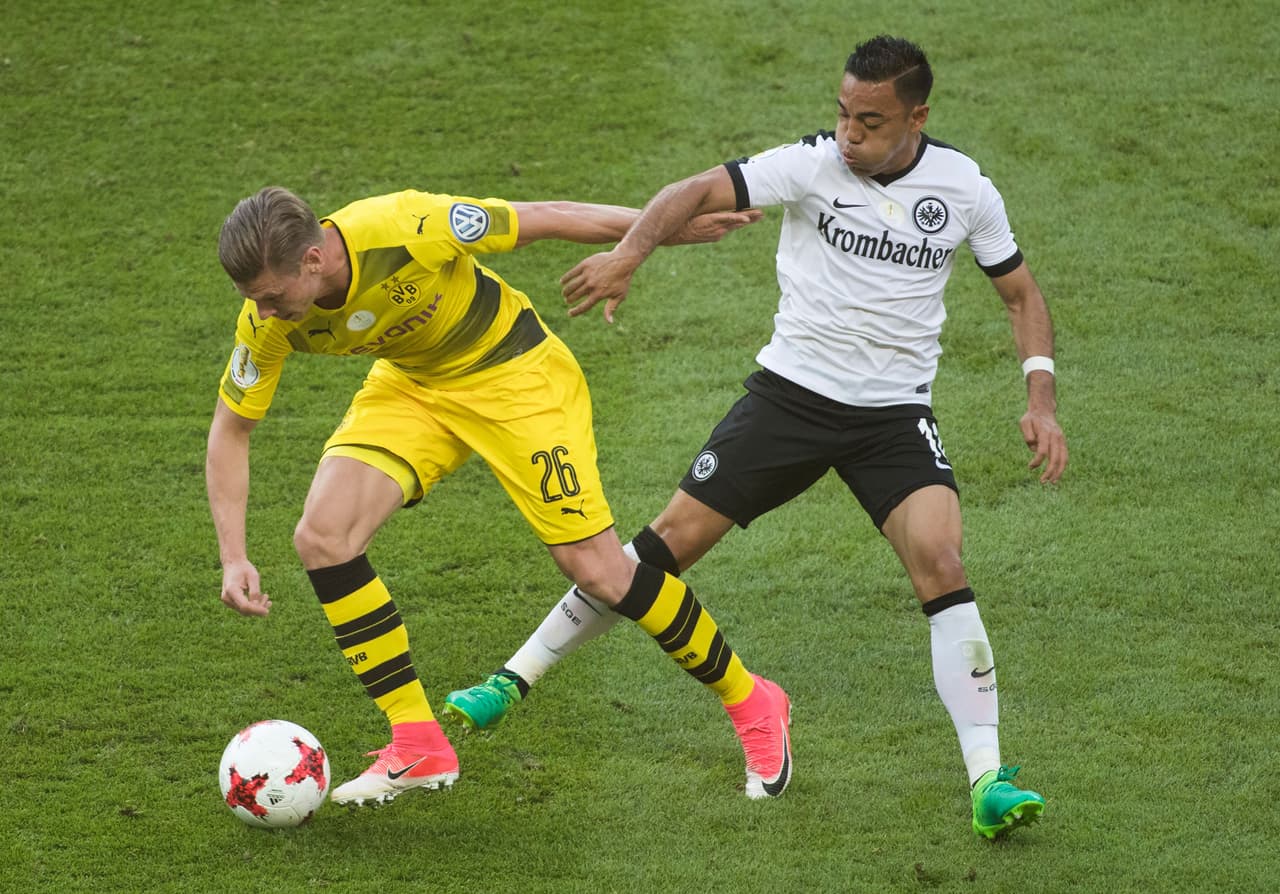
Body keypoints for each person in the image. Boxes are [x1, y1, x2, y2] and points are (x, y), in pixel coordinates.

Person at [444, 35, 1067, 839]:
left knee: (943, 563)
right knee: (663, 546)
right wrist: (630, 256)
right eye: (843, 113)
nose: (850, 134)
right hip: (789, 401)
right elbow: (692, 189)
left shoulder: (965, 188)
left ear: (917, 117)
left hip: (891, 417)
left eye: (870, 122)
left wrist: (1040, 399)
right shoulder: (813, 164)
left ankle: (988, 779)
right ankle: (514, 677)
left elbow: (1020, 295)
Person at [206, 185, 796, 807]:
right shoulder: (265, 319)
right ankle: (418, 743)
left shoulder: (404, 228)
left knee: (596, 570)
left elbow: (546, 216)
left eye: (272, 298)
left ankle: (753, 699)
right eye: (254, 301)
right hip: (415, 385)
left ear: (314, 260)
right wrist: (233, 555)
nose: (264, 313)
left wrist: (656, 231)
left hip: (515, 375)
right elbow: (231, 429)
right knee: (323, 537)